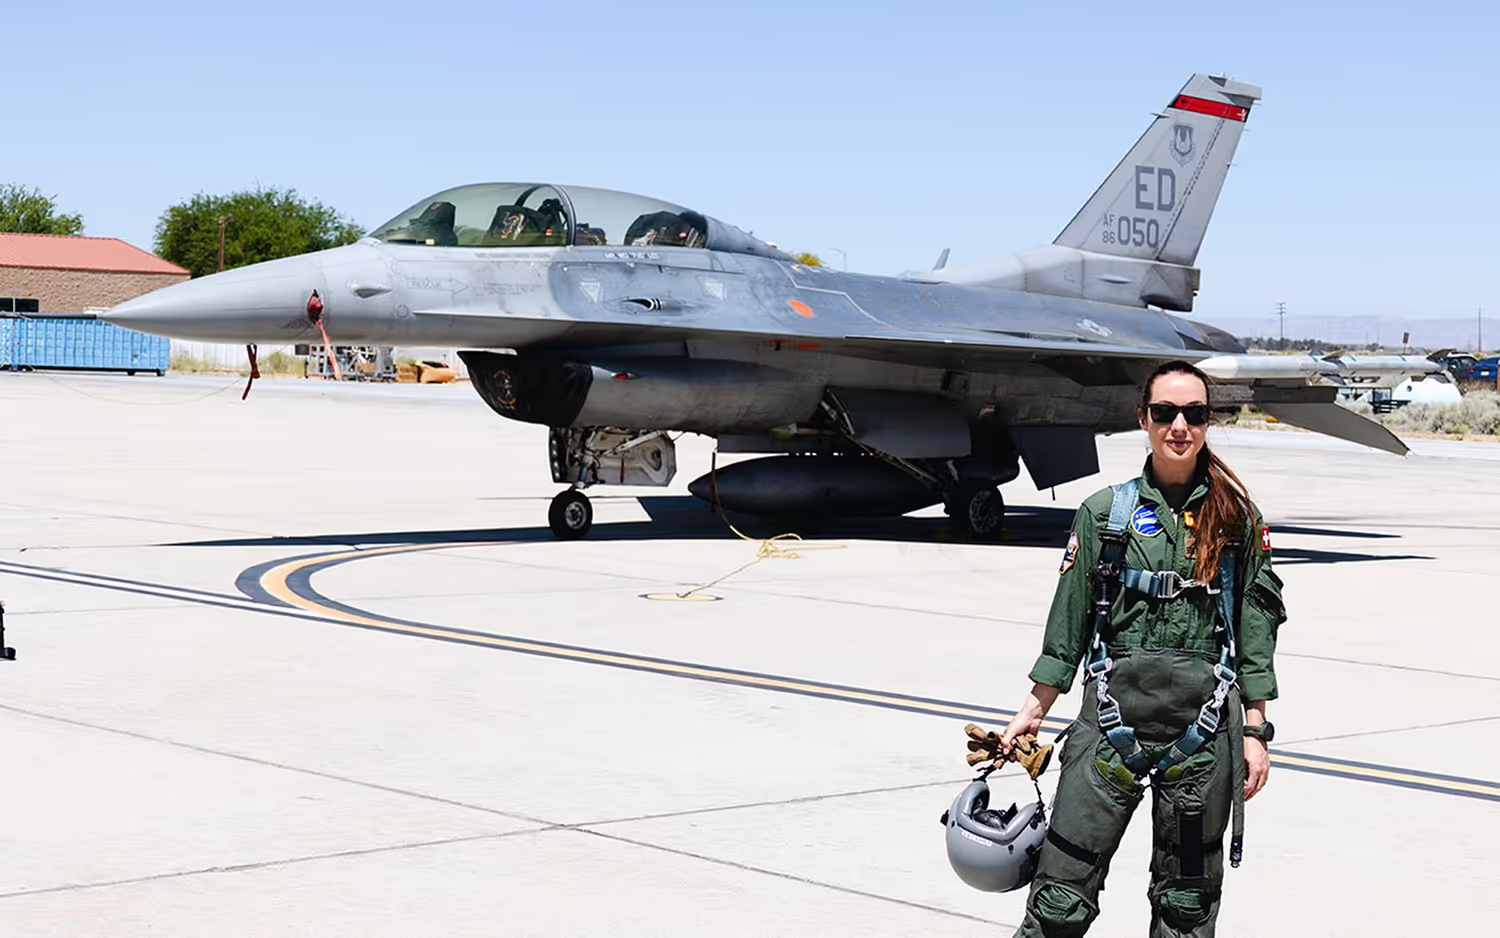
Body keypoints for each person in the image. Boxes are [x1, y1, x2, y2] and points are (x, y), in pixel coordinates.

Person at [1000, 360, 1286, 937]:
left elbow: (1256, 631)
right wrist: (1031, 715)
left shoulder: (1236, 518)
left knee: (1187, 909)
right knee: (1058, 900)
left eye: (1194, 414)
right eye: (1165, 413)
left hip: (1201, 743)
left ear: (1208, 422)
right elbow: (1068, 624)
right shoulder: (1106, 515)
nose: (1179, 425)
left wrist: (1255, 732)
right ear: (1144, 419)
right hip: (1109, 731)